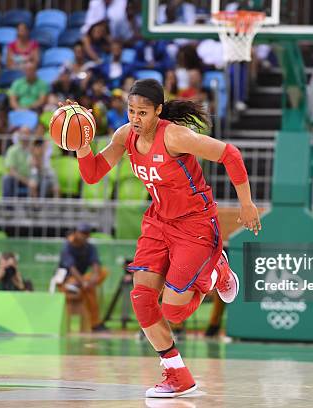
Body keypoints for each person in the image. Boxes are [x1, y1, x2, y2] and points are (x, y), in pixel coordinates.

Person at [67, 77, 260, 398]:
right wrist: (82, 146)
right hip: (158, 222)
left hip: (195, 224)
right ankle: (177, 375)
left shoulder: (176, 136)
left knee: (173, 311)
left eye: (142, 112)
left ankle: (216, 273)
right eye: (131, 111)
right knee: (142, 299)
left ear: (158, 111)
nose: (135, 119)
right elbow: (92, 174)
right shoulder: (125, 136)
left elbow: (231, 154)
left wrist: (246, 203)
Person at [59, 222, 108, 331]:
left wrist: (94, 277)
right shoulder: (67, 246)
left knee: (104, 271)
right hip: (67, 279)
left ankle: (84, 286)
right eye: (82, 232)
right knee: (89, 290)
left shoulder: (89, 247)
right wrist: (84, 283)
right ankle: (95, 324)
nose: (84, 235)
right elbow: (71, 268)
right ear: (76, 233)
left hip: (83, 281)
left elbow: (95, 264)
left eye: (86, 233)